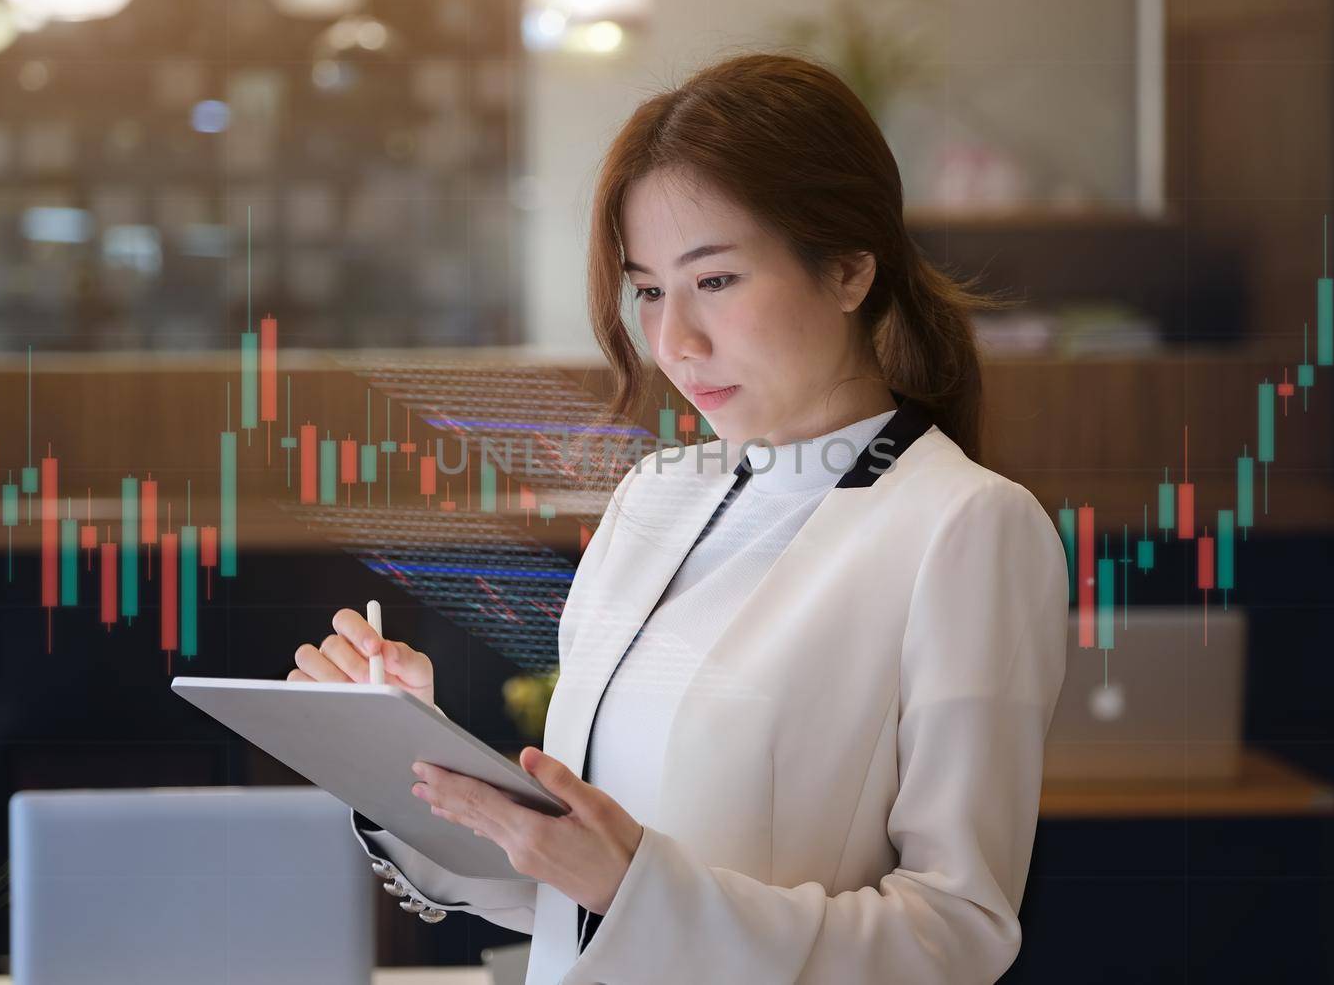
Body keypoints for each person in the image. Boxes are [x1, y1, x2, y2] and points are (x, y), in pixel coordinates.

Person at [289, 51, 1069, 984]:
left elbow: (957, 931)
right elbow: (569, 887)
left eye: (718, 280)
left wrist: (639, 891)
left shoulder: (966, 526)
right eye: (651, 289)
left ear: (853, 268)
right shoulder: (653, 496)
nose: (674, 342)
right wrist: (404, 761)